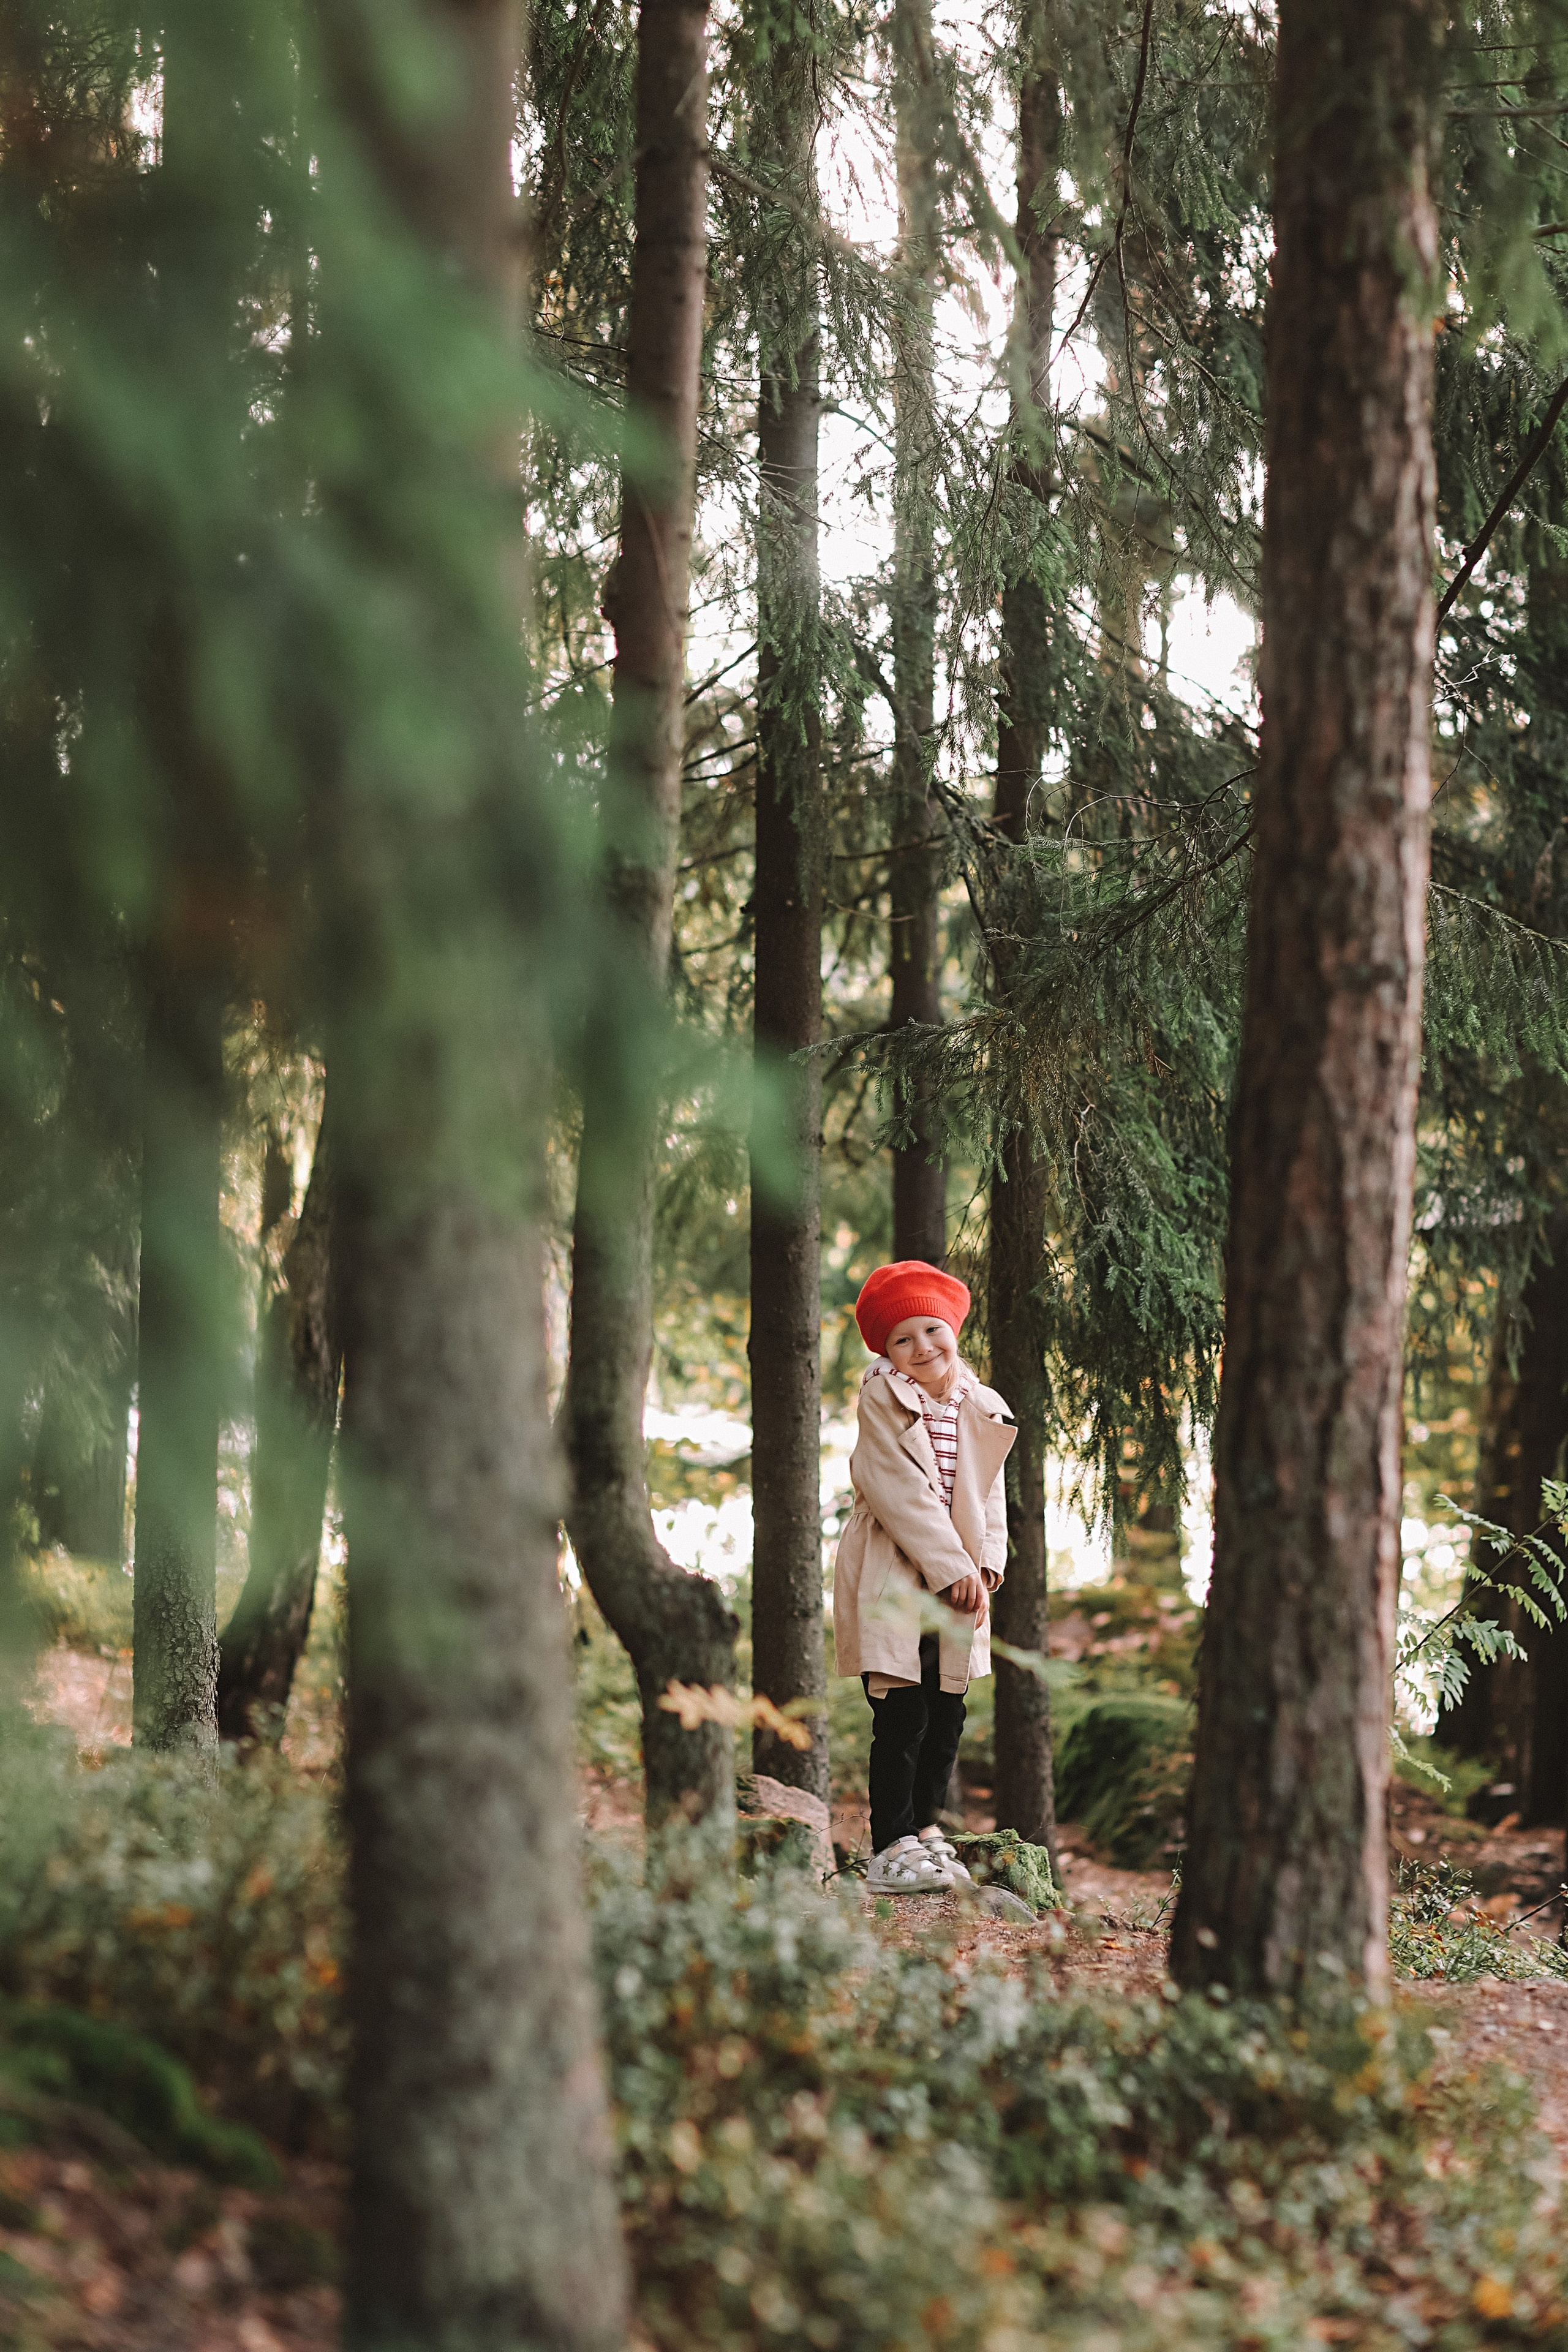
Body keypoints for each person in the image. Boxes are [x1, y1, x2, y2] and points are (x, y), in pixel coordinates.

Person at [832, 1260, 1016, 1893]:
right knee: (902, 1708)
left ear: (954, 1333)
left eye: (930, 1331)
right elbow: (897, 1491)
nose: (921, 1349)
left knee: (948, 1709)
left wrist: (985, 1564)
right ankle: (891, 1843)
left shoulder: (982, 1404)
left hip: (960, 1578)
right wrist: (949, 1568)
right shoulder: (882, 1397)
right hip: (898, 1566)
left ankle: (929, 1830)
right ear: (887, 1350)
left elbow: (989, 1498)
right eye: (902, 1339)